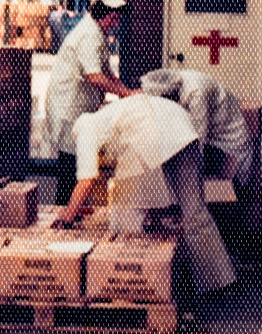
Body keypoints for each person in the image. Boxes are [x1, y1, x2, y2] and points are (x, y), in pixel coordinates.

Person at [53, 91, 236, 296]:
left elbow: (86, 180)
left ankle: (136, 288)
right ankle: (218, 283)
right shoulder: (113, 114)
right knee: (195, 213)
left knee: (125, 219)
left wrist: (68, 215)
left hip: (149, 137)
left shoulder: (83, 128)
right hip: (183, 129)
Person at [43, 0, 136, 200]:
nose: (115, 22)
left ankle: (74, 209)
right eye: (112, 16)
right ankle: (65, 213)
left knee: (78, 165)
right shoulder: (89, 35)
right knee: (72, 168)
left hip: (77, 108)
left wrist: (127, 92)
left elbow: (107, 72)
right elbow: (95, 77)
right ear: (101, 13)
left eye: (117, 17)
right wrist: (125, 94)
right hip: (68, 109)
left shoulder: (99, 33)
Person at [139, 68, 256, 189]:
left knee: (187, 177)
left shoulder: (197, 94)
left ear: (169, 96)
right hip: (214, 144)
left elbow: (195, 144)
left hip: (230, 150)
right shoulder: (170, 82)